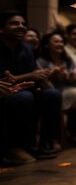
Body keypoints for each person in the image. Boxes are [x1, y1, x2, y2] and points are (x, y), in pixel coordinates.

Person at [0, 11, 61, 163]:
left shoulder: (26, 48)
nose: (20, 26)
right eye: (14, 23)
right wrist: (29, 77)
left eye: (23, 24)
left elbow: (34, 74)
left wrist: (41, 79)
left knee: (52, 94)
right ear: (2, 28)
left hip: (24, 89)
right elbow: (6, 79)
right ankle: (14, 147)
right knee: (24, 97)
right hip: (6, 93)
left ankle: (43, 143)